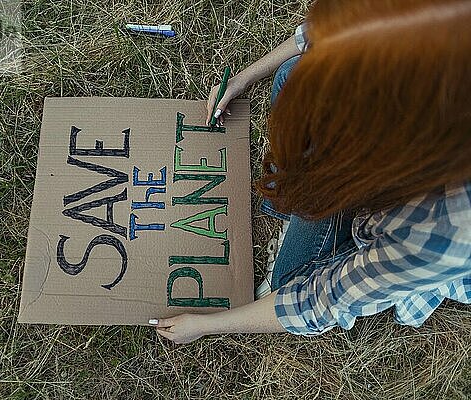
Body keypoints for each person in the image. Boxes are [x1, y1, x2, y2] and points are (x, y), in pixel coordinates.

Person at [153, 0, 471, 344]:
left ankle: (315, 211)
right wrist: (243, 79)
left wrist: (204, 325)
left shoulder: (444, 229)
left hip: (413, 222)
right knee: (294, 75)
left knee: (287, 283)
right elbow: (321, 36)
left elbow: (318, 301)